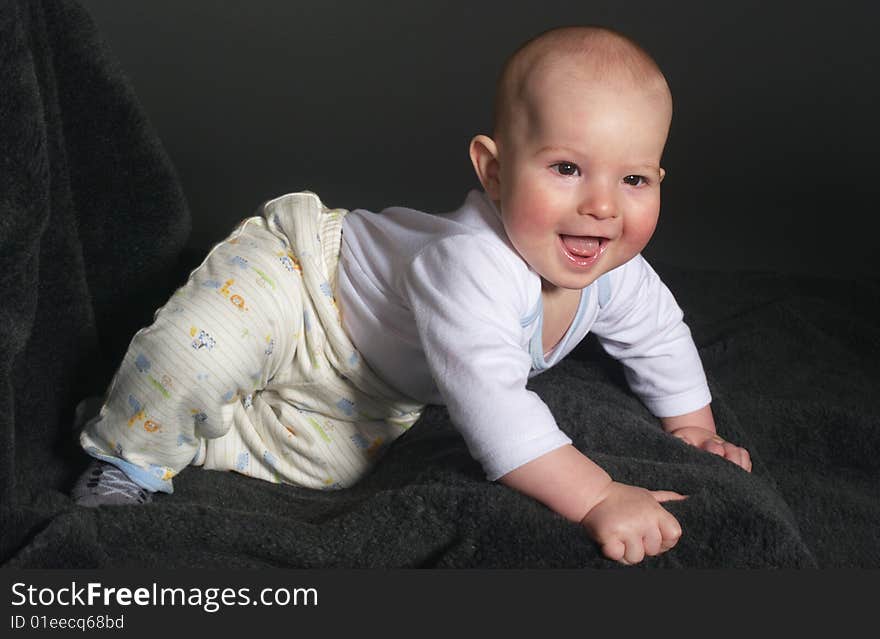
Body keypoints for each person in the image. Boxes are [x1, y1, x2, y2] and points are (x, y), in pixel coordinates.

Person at [72, 25, 751, 565]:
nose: (602, 206)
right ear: (493, 168)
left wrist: (694, 426)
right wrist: (598, 494)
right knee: (199, 357)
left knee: (327, 470)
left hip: (367, 381)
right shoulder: (472, 262)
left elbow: (659, 334)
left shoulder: (614, 268)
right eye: (568, 168)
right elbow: (494, 409)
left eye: (634, 180)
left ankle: (181, 425)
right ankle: (126, 454)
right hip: (303, 282)